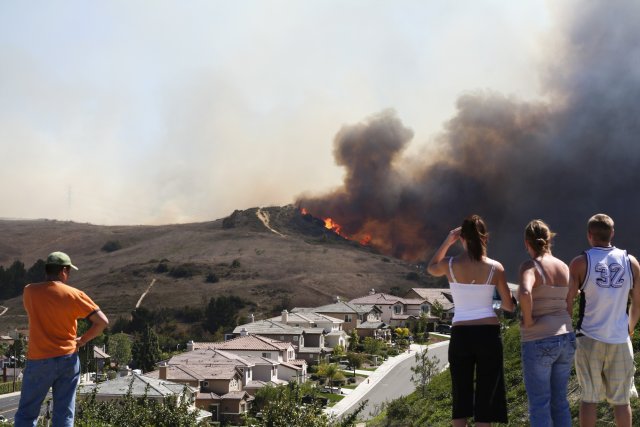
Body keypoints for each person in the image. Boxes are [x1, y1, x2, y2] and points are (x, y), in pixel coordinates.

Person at [427, 214, 514, 427]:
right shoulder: (496, 268)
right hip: (488, 334)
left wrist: (447, 241)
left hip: (461, 335)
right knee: (486, 396)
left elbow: (431, 267)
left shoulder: (449, 265)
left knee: (461, 394)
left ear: (462, 238)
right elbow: (508, 305)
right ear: (485, 238)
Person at [15, 251, 109, 427]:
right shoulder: (75, 294)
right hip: (68, 359)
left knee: (27, 414)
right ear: (64, 271)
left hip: (39, 360)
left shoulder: (30, 291)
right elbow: (102, 322)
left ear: (47, 270)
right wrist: (82, 339)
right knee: (64, 413)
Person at [567, 214, 640, 427]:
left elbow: (568, 302)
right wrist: (629, 328)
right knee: (621, 401)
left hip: (589, 337)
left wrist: (568, 331)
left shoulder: (580, 263)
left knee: (589, 399)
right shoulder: (631, 262)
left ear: (590, 235)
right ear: (612, 233)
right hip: (619, 338)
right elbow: (638, 302)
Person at [518, 219, 575, 426]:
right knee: (560, 401)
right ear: (549, 239)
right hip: (566, 337)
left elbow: (525, 292)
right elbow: (570, 300)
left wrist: (529, 320)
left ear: (527, 242)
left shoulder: (530, 266)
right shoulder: (564, 267)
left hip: (539, 339)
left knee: (540, 403)